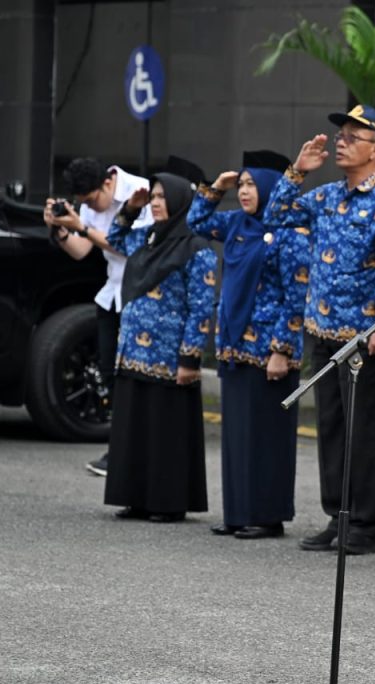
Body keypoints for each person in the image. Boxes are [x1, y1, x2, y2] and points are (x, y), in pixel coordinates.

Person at [264, 104, 375, 555]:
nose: (340, 142)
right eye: (341, 135)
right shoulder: (327, 195)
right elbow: (276, 216)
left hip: (363, 335)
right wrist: (297, 171)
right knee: (330, 425)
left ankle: (367, 524)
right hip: (322, 327)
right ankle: (338, 515)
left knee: (364, 430)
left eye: (353, 136)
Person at [188, 150, 309, 539]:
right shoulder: (236, 224)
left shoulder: (288, 234)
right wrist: (214, 189)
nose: (243, 191)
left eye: (250, 184)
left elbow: (297, 296)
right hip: (234, 347)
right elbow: (196, 222)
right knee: (237, 435)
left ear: (272, 187)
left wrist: (282, 350)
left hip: (268, 351)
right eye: (240, 184)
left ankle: (267, 515)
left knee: (266, 437)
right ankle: (239, 512)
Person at [103, 172, 218, 523]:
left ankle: (167, 503)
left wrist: (190, 358)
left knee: (165, 431)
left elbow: (202, 307)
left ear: (181, 201)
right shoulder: (147, 239)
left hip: (170, 358)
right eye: (152, 196)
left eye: (161, 197)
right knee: (135, 428)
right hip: (134, 354)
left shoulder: (196, 248)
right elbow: (113, 239)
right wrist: (128, 209)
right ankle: (135, 497)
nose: (154, 202)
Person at [43, 158, 153, 476]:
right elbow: (81, 250)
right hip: (111, 295)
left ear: (107, 182)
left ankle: (135, 450)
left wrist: (83, 227)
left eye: (92, 200)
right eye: (84, 204)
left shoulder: (140, 193)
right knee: (108, 373)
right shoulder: (90, 202)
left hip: (139, 296)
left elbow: (132, 248)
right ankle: (118, 449)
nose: (90, 206)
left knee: (136, 376)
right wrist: (60, 229)